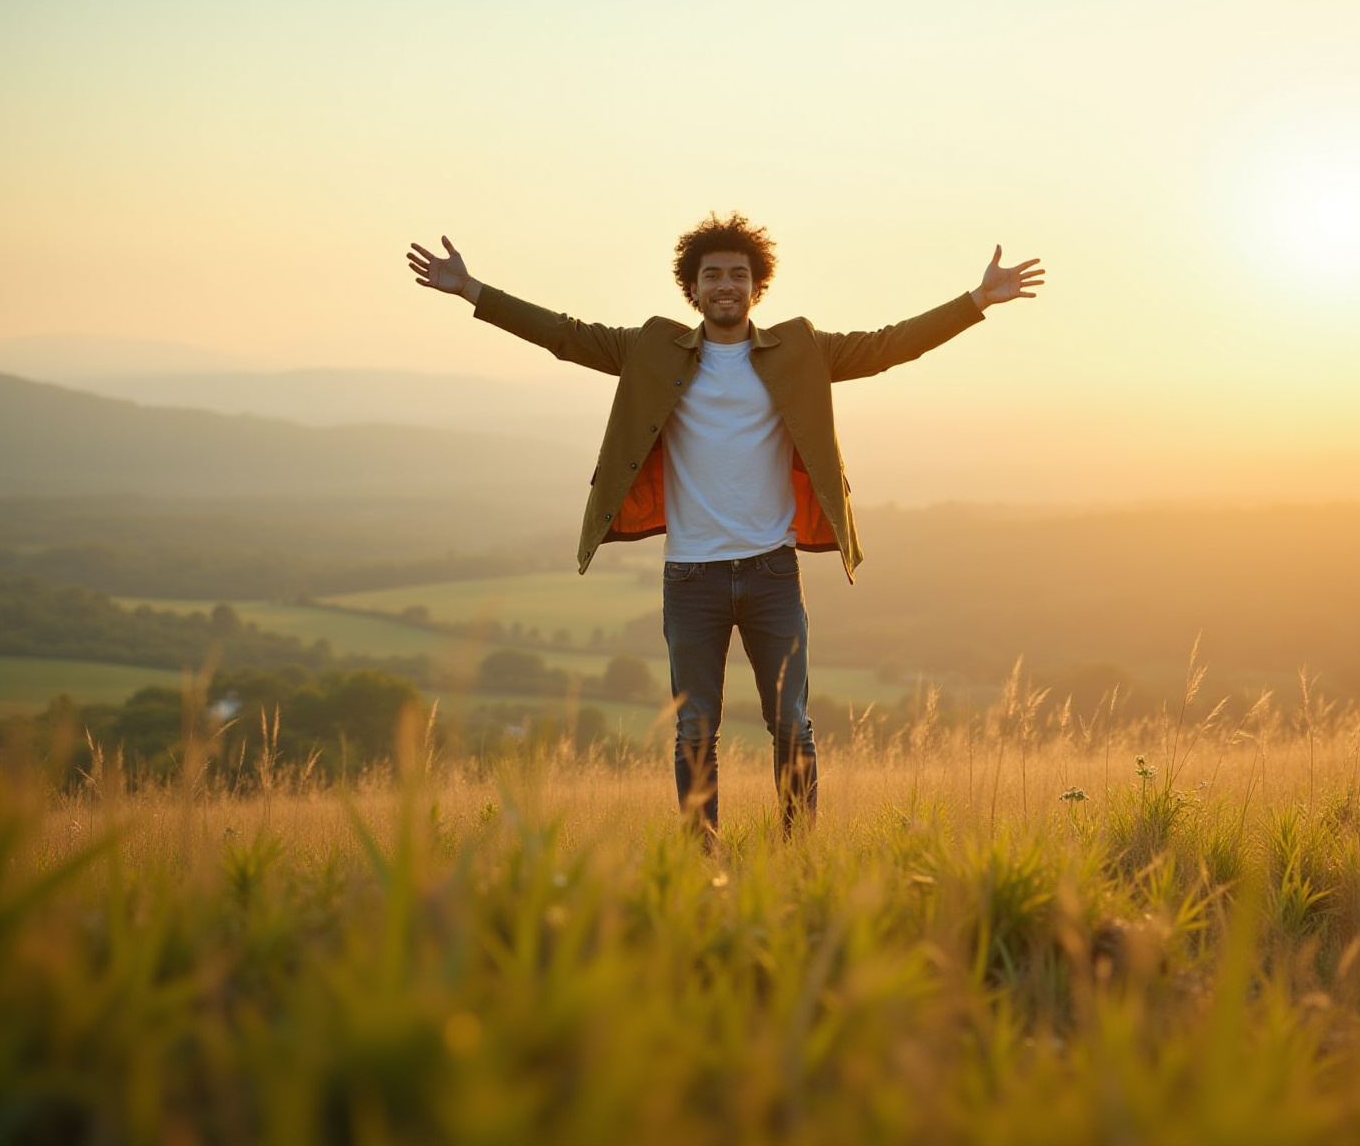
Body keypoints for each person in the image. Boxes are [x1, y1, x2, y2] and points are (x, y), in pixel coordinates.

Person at [407, 214, 1042, 841]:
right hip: (691, 578)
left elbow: (886, 346)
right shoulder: (651, 349)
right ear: (694, 288)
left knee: (792, 723)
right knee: (694, 730)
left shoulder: (800, 349)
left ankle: (797, 851)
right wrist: (471, 290)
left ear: (756, 286)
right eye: (712, 275)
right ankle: (701, 858)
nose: (726, 285)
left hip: (772, 573)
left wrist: (975, 301)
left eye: (738, 274)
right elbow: (565, 335)